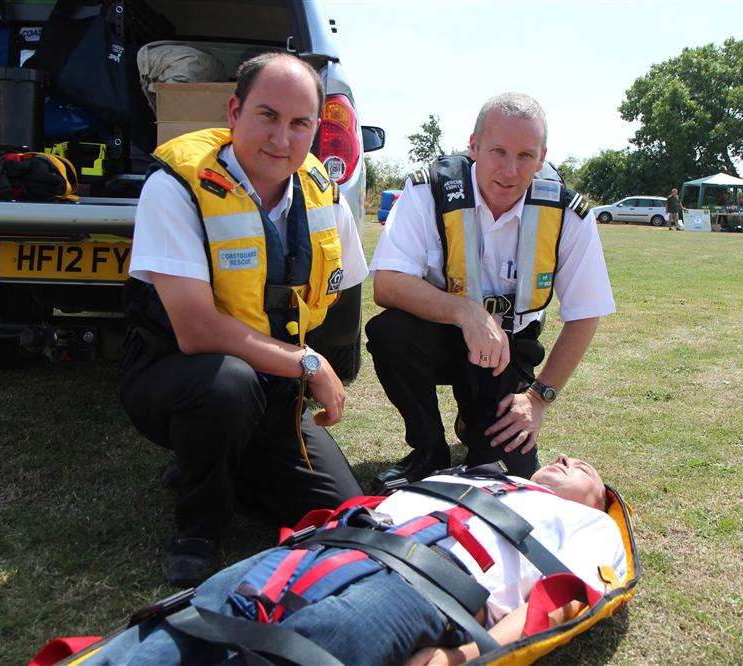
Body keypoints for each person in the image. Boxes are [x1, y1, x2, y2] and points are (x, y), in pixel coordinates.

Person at [119, 53, 368, 586]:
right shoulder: (175, 187)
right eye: (267, 115)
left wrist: (318, 373)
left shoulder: (323, 192)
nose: (283, 137)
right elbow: (197, 329)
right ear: (234, 112)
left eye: (301, 123)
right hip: (178, 374)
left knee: (343, 516)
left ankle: (223, 461)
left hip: (277, 387)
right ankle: (199, 527)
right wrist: (306, 362)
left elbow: (343, 297)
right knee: (227, 385)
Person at [73, 455, 627, 666]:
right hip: (326, 550)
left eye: (580, 466)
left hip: (419, 585)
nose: (563, 457)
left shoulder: (590, 525)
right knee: (200, 614)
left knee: (313, 647)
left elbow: (561, 602)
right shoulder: (476, 475)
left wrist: (461, 657)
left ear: (596, 497)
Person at [366, 93, 615, 484]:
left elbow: (585, 314)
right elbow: (387, 283)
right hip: (438, 335)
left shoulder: (568, 212)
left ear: (543, 155)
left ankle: (477, 418)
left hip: (510, 346)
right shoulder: (427, 191)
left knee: (507, 473)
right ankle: (428, 449)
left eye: (526, 156)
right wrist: (466, 312)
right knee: (390, 332)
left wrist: (538, 398)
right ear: (473, 146)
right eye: (497, 151)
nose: (510, 171)